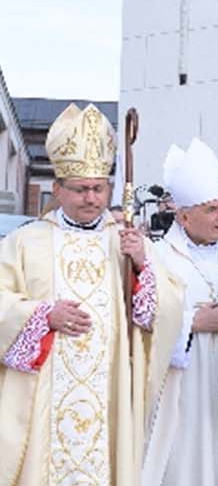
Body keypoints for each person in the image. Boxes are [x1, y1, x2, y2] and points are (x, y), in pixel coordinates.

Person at [0, 103, 183, 486]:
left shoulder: (126, 242)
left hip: (107, 394)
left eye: (99, 189)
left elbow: (164, 311)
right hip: (42, 397)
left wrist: (142, 268)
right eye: (81, 189)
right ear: (58, 189)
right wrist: (41, 316)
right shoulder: (25, 242)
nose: (91, 198)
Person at [142, 138, 218, 486]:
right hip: (181, 392)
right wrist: (190, 323)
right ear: (184, 216)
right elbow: (141, 324)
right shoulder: (158, 258)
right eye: (211, 210)